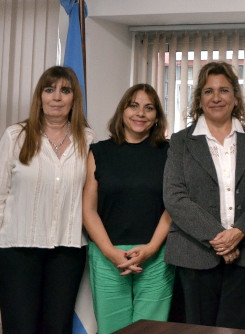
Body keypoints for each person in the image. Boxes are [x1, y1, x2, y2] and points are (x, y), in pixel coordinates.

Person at [0, 66, 93, 333]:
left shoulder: (88, 140)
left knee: (57, 329)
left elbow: (91, 199)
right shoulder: (16, 136)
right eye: (49, 89)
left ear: (74, 99)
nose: (56, 97)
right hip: (17, 253)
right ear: (40, 97)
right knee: (21, 328)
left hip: (67, 254)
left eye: (65, 90)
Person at [163, 61, 245, 329]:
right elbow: (174, 196)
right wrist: (219, 239)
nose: (216, 98)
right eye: (208, 91)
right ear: (199, 99)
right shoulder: (181, 141)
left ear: (235, 97)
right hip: (195, 253)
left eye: (224, 90)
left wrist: (239, 232)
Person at [82, 84, 174, 333]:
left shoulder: (170, 152)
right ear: (122, 110)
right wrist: (111, 253)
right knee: (112, 330)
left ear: (157, 116)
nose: (140, 113)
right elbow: (88, 210)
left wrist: (153, 248)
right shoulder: (99, 152)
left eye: (149, 108)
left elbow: (173, 205)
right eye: (133, 105)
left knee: (150, 330)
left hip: (155, 257)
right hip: (107, 255)